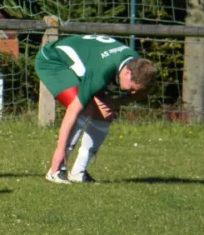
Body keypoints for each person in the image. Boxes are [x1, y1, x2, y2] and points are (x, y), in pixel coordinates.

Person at [35, 34, 157, 184]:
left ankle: (78, 173)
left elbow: (146, 90)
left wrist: (118, 102)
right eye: (132, 88)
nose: (133, 93)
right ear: (126, 73)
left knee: (105, 112)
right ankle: (56, 170)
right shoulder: (103, 71)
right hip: (54, 60)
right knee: (84, 108)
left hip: (87, 64)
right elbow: (73, 109)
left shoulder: (138, 65)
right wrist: (59, 150)